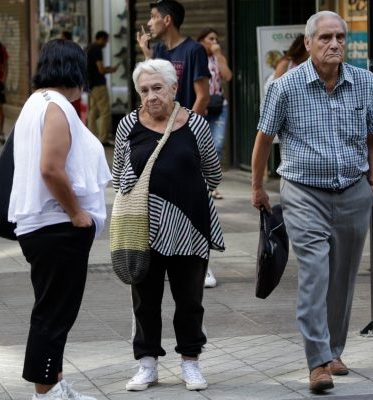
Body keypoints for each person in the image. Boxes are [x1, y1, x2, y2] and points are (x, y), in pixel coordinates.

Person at [251, 11, 373, 393]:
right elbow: (264, 139)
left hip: (353, 191)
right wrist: (257, 187)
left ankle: (333, 350)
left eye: (340, 37)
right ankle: (317, 362)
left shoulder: (365, 82)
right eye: (326, 38)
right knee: (315, 274)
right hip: (303, 192)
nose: (334, 44)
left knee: (343, 278)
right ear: (309, 42)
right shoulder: (285, 87)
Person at [112, 59, 224, 392]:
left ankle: (191, 362)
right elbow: (118, 176)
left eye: (157, 88)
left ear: (174, 88)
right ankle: (147, 365)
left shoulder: (196, 126)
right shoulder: (128, 126)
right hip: (143, 227)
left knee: (189, 300)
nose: (151, 96)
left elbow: (213, 173)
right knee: (144, 300)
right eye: (144, 90)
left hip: (189, 226)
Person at [7, 38, 111, 400]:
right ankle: (46, 391)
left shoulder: (37, 103)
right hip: (57, 227)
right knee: (54, 315)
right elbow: (51, 170)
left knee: (54, 312)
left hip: (44, 227)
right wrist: (77, 213)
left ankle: (54, 382)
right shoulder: (55, 107)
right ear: (74, 67)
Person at [196, 27, 232, 288]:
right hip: (203, 106)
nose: (214, 42)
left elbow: (228, 76)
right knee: (202, 145)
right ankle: (206, 183)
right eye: (210, 39)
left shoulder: (217, 59)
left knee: (216, 144)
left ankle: (211, 184)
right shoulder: (196, 58)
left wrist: (219, 56)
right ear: (200, 42)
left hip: (219, 105)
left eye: (216, 39)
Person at [136, 0, 210, 116]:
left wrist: (187, 128)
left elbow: (203, 97)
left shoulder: (194, 50)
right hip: (161, 126)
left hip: (185, 126)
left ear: (167, 20)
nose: (149, 23)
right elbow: (148, 88)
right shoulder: (157, 50)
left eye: (153, 17)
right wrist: (147, 56)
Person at [86, 30, 119, 145]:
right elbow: (100, 69)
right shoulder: (97, 49)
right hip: (99, 85)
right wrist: (111, 70)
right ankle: (103, 138)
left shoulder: (88, 48)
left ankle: (91, 137)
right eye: (106, 41)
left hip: (91, 85)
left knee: (93, 112)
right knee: (105, 112)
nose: (106, 44)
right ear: (101, 38)